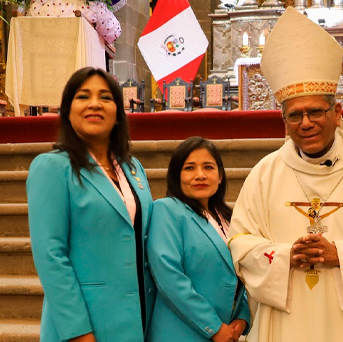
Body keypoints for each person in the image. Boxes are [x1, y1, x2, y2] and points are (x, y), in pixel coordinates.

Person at [226, 7, 343, 342]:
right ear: (283, 122)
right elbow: (241, 244)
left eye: (315, 111)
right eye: (294, 115)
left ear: (337, 112)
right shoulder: (264, 175)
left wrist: (340, 255)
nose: (306, 123)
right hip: (286, 324)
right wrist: (286, 256)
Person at [27, 67, 155, 342]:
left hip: (137, 320)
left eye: (106, 97)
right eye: (83, 96)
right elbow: (51, 256)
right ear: (67, 111)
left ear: (118, 114)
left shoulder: (133, 168)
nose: (95, 103)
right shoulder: (53, 168)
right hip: (86, 325)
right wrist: (79, 332)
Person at [148, 137, 251, 342]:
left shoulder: (228, 218)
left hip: (226, 331)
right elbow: (170, 278)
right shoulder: (167, 210)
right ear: (177, 175)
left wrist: (242, 317)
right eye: (189, 168)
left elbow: (243, 270)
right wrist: (214, 327)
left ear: (220, 176)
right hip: (180, 332)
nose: (200, 175)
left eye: (208, 167)